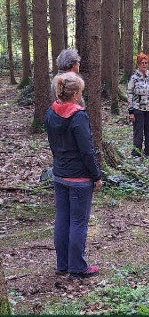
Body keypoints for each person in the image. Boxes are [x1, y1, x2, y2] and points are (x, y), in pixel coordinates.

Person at [45, 72, 103, 279]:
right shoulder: (78, 116)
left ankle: (62, 264)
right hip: (78, 179)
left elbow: (52, 143)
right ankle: (77, 267)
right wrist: (96, 175)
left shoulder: (52, 111)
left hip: (59, 174)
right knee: (78, 222)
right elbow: (87, 150)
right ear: (76, 93)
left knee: (62, 219)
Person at [127, 53, 149, 158]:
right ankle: (136, 153)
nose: (144, 65)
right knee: (138, 133)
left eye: (146, 63)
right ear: (138, 64)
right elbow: (129, 93)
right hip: (138, 108)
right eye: (142, 63)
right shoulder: (134, 78)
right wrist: (131, 111)